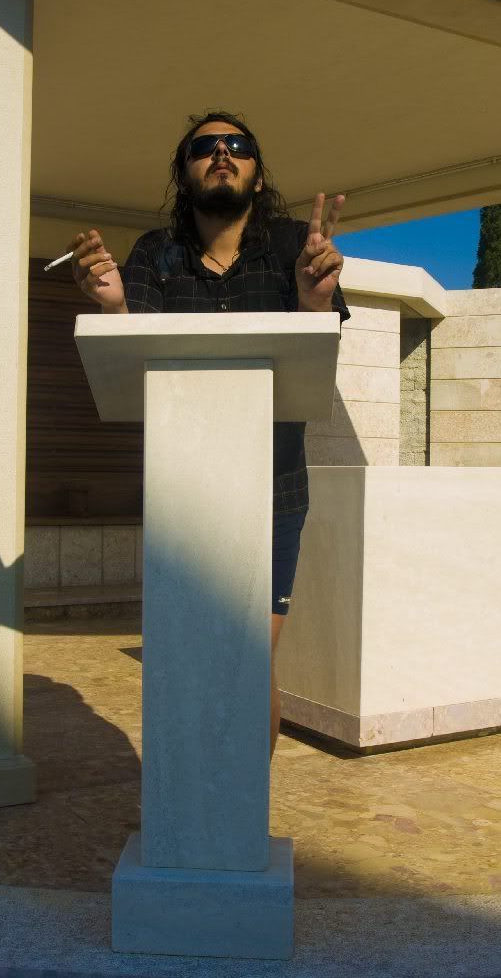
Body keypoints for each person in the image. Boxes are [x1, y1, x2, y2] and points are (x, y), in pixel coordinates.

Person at [67, 110, 350, 761]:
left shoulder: (295, 247)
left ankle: (241, 806)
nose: (222, 153)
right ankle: (192, 801)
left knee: (248, 661)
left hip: (274, 494)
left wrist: (313, 300)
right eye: (205, 147)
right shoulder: (154, 253)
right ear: (184, 172)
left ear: (257, 174)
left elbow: (319, 351)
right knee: (192, 655)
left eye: (237, 145)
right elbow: (133, 355)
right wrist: (113, 307)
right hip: (185, 496)